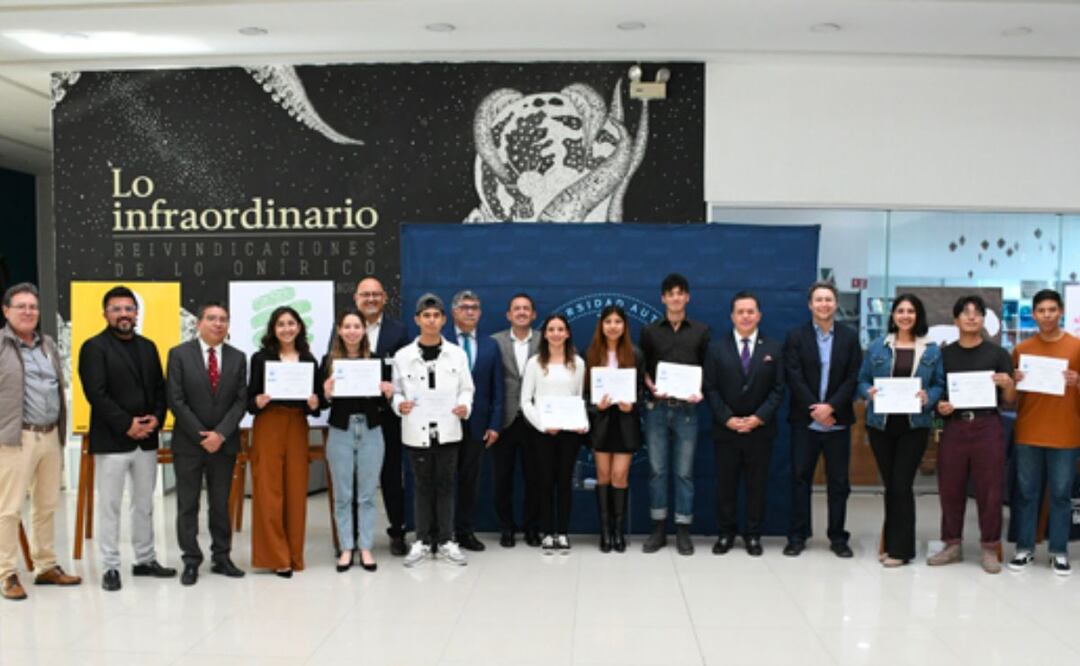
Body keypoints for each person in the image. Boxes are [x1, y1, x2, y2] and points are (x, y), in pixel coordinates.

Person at [79, 285, 173, 591]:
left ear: (136, 313)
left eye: (128, 309)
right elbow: (96, 393)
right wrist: (127, 424)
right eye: (117, 309)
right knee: (110, 506)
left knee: (144, 503)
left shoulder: (148, 346)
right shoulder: (94, 347)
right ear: (105, 314)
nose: (123, 314)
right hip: (113, 440)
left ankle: (145, 559)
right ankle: (110, 567)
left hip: (146, 440)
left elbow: (160, 390)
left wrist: (156, 419)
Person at [1, 283, 81, 601]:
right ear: (6, 311)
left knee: (47, 505)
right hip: (15, 437)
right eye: (20, 306)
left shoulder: (46, 344)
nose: (28, 312)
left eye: (32, 307)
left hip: (49, 435)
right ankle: (7, 573)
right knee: (8, 510)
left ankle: (45, 565)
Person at [930, 295, 1015, 574]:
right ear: (955, 320)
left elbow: (1011, 400)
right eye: (965, 313)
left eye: (977, 313)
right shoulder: (944, 354)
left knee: (990, 489)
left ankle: (989, 547)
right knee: (950, 487)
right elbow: (937, 396)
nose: (971, 317)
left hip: (988, 424)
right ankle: (952, 544)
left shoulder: (998, 354)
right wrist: (941, 407)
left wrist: (1007, 384)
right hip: (954, 425)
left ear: (983, 319)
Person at [857, 293, 944, 567]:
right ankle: (890, 544)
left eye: (911, 311)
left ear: (918, 316)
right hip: (881, 425)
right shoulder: (876, 347)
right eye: (900, 310)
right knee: (890, 486)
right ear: (893, 315)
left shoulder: (931, 349)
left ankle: (901, 551)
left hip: (913, 426)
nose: (905, 315)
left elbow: (939, 383)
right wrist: (867, 392)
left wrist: (928, 396)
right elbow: (861, 380)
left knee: (902, 485)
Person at [166, 301, 248, 586]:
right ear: (198, 323)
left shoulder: (238, 358)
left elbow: (240, 401)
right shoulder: (178, 355)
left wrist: (220, 434)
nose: (218, 324)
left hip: (224, 444)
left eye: (223, 319)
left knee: (220, 504)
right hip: (189, 444)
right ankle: (190, 560)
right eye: (212, 318)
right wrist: (203, 435)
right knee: (188, 504)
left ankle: (222, 557)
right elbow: (175, 400)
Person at [393, 293, 475, 567]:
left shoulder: (457, 354)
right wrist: (398, 405)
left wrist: (464, 406)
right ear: (417, 320)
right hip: (417, 430)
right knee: (422, 485)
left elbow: (466, 388)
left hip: (448, 429)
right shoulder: (403, 356)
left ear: (443, 319)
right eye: (425, 315)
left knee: (445, 484)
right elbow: (396, 392)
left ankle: (447, 540)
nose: (431, 320)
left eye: (436, 315)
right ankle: (422, 541)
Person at [782, 281, 862, 558]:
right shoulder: (795, 336)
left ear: (836, 304)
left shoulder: (850, 338)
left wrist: (831, 408)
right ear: (810, 305)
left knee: (838, 482)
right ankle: (797, 535)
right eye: (818, 300)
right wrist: (815, 409)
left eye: (828, 299)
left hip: (837, 422)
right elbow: (793, 376)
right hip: (805, 421)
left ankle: (838, 537)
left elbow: (853, 377)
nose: (824, 304)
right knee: (800, 479)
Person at [704, 291, 785, 557]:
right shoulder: (716, 348)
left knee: (757, 486)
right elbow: (711, 389)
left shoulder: (773, 348)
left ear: (759, 315)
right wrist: (727, 418)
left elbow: (778, 390)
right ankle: (726, 534)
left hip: (760, 431)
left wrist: (758, 418)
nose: (746, 316)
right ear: (732, 316)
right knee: (725, 486)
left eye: (751, 311)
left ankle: (753, 535)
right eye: (741, 311)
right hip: (726, 430)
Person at [1008, 289, 1080, 576]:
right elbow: (1011, 399)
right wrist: (1014, 380)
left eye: (1052, 309)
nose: (1047, 315)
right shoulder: (1022, 349)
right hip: (1028, 431)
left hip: (1066, 432)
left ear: (1060, 311)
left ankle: (1059, 551)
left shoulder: (1076, 347)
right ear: (1034, 314)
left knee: (1061, 495)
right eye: (1041, 310)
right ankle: (1025, 548)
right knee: (1026, 493)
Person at [247, 305, 321, 577]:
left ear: (299, 327)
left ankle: (293, 554)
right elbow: (249, 400)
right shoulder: (260, 359)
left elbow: (316, 406)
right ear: (273, 329)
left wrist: (314, 403)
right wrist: (257, 401)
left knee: (295, 489)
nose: (287, 328)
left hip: (297, 426)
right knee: (268, 490)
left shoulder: (309, 360)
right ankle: (275, 557)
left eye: (291, 323)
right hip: (269, 424)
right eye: (281, 324)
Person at [639, 273, 710, 555]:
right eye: (671, 293)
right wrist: (650, 385)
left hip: (688, 410)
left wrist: (700, 390)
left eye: (681, 293)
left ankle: (682, 530)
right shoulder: (649, 331)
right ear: (663, 298)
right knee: (657, 471)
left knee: (684, 473)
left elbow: (706, 369)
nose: (676, 298)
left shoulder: (701, 331)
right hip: (657, 409)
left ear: (688, 297)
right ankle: (658, 529)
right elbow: (643, 368)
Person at [320, 310, 393, 573]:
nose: (352, 331)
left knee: (367, 494)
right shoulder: (328, 361)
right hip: (340, 430)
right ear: (339, 330)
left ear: (364, 330)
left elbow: (385, 400)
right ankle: (346, 547)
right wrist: (326, 393)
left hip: (371, 429)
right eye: (347, 326)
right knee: (342, 494)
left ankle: (365, 547)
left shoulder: (375, 361)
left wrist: (388, 393)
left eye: (356, 326)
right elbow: (318, 402)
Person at [522, 313, 588, 554]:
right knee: (545, 482)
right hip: (543, 432)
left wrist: (582, 424)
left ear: (567, 333)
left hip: (570, 433)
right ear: (545, 333)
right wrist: (542, 425)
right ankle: (547, 532)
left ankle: (562, 532)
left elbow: (578, 398)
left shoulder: (578, 363)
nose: (556, 333)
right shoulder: (535, 363)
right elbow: (525, 401)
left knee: (564, 483)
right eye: (552, 329)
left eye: (561, 329)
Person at [354, 276, 411, 556]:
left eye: (376, 294)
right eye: (366, 294)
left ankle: (398, 531)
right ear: (356, 298)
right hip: (353, 413)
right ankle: (352, 534)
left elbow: (405, 371)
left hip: (387, 416)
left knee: (391, 475)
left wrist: (394, 389)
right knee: (354, 477)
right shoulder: (345, 328)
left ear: (385, 298)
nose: (371, 299)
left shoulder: (399, 330)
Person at [446, 290, 504, 552]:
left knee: (470, 481)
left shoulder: (491, 344)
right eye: (465, 307)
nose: (470, 311)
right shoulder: (440, 341)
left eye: (475, 307)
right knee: (443, 480)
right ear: (454, 312)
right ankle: (444, 533)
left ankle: (465, 532)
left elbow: (498, 389)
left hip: (478, 424)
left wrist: (494, 424)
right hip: (445, 421)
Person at [583, 305, 644, 553]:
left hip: (625, 425)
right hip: (601, 424)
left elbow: (641, 390)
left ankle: (619, 531)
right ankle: (605, 532)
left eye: (618, 321)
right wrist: (597, 406)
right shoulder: (591, 354)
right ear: (601, 325)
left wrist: (633, 405)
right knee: (603, 476)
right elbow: (585, 394)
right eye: (608, 321)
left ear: (624, 326)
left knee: (620, 476)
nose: (613, 326)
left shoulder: (636, 354)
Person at [491, 293, 542, 547]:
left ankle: (533, 528)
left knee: (535, 478)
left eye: (526, 309)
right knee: (502, 478)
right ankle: (507, 528)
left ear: (533, 314)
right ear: (508, 315)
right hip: (505, 420)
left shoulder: (547, 340)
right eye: (516, 309)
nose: (521, 312)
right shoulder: (494, 342)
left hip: (536, 419)